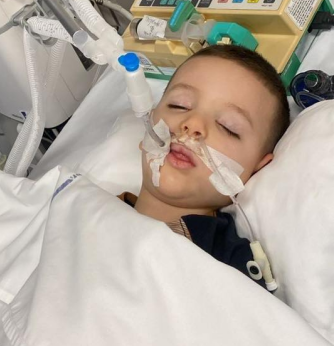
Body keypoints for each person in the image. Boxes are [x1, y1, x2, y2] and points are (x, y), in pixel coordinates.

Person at [120, 45, 290, 287]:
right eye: (179, 105)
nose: (193, 125)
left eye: (228, 127)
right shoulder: (87, 207)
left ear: (256, 169)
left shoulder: (230, 267)